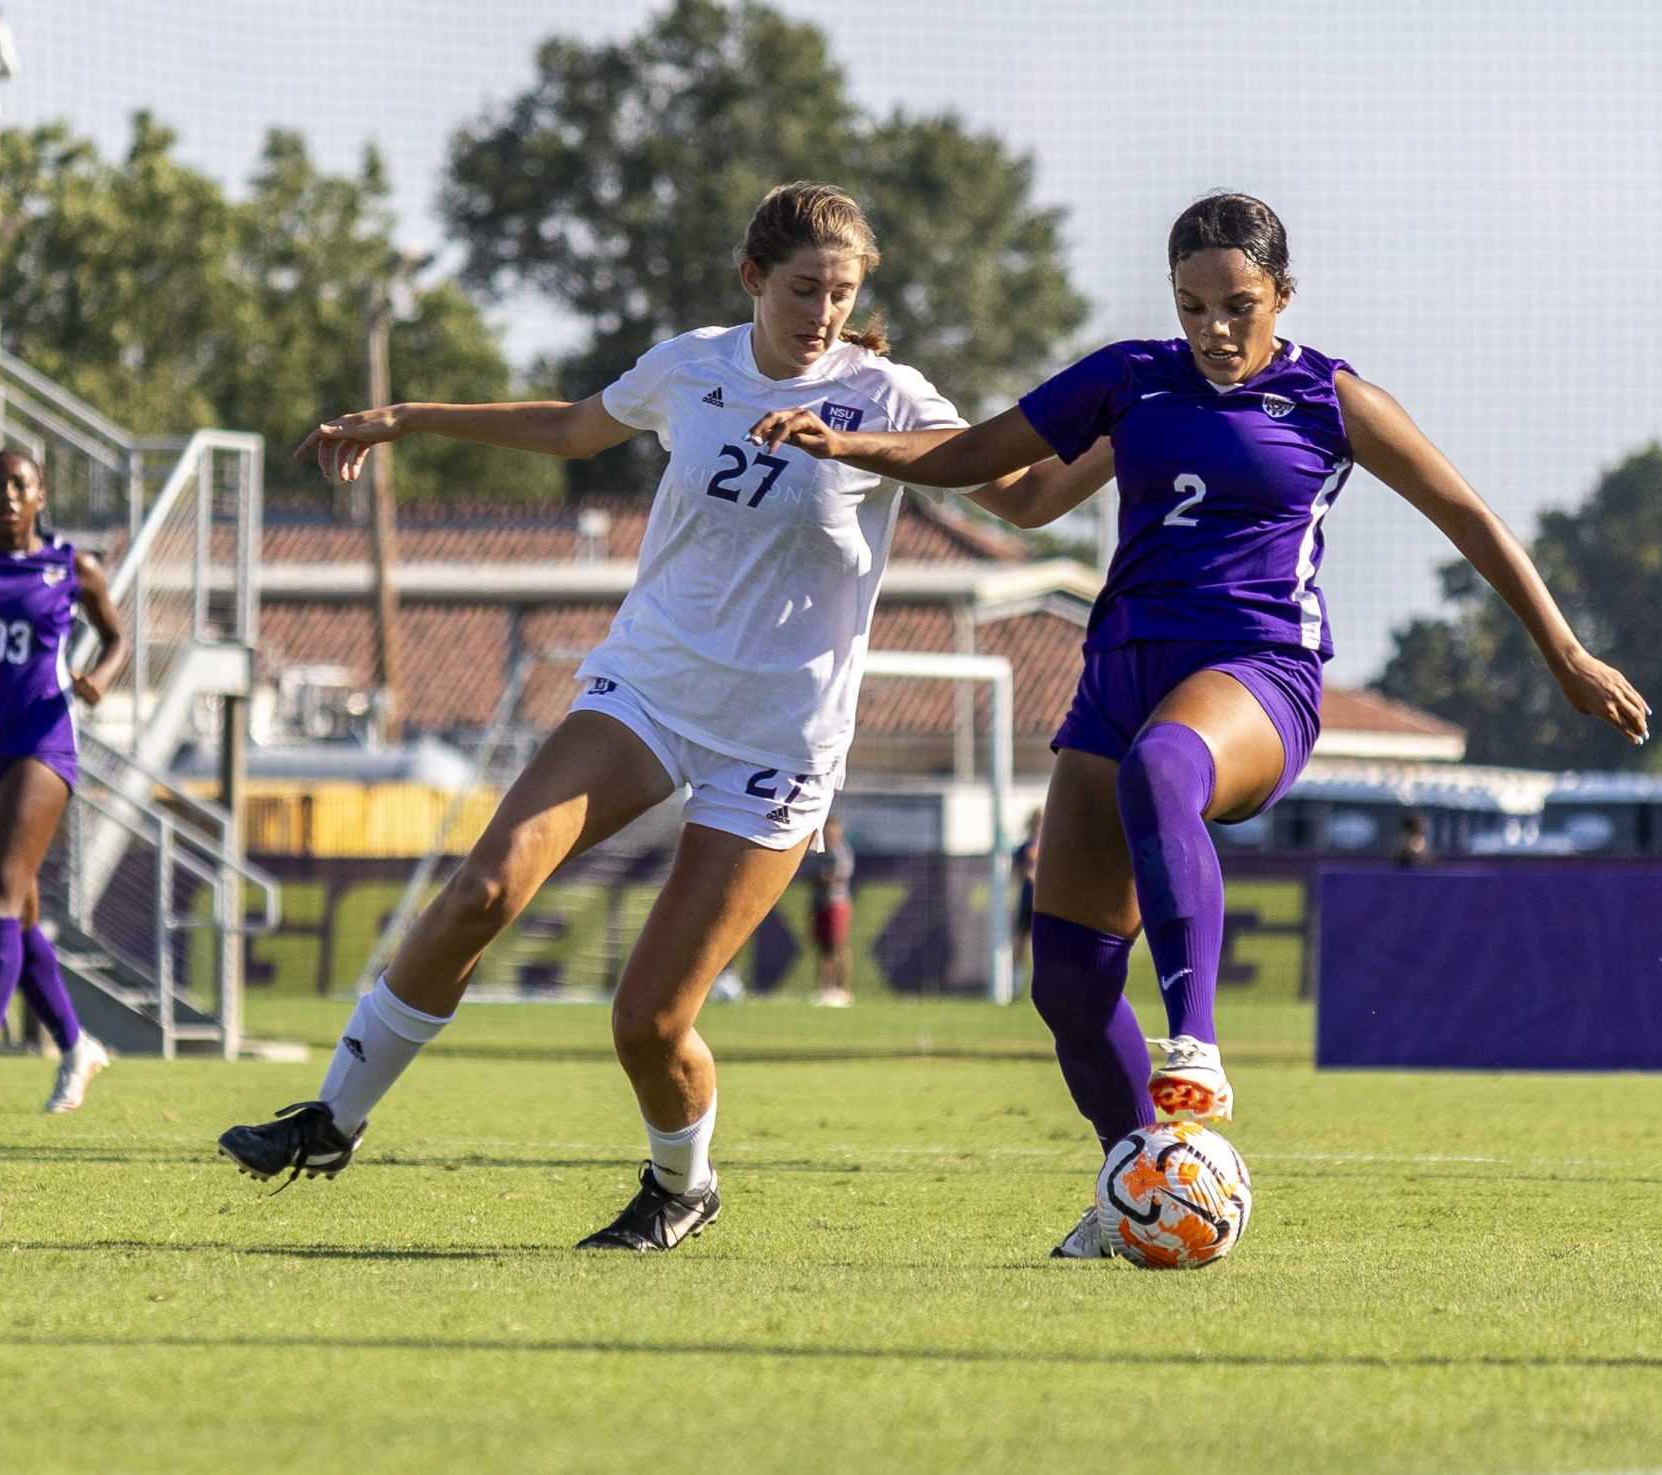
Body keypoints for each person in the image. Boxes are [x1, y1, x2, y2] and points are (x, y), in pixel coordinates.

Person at [215, 181, 1108, 1251]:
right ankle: (331, 1117)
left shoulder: (889, 396)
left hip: (778, 739)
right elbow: (574, 426)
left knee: (647, 1021)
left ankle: (680, 1183)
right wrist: (411, 415)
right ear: (751, 280)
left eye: (840, 291)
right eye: (800, 288)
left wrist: (1136, 430)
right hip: (649, 690)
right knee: (483, 886)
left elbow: (1022, 496)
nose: (821, 311)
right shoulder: (691, 366)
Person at [752, 191, 1647, 1255]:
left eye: (1238, 305)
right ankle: (1142, 1181)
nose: (1216, 331)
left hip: (1257, 672)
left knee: (1163, 770)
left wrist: (1566, 652)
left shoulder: (1330, 396)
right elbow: (986, 461)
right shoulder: (1130, 380)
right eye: (1192, 307)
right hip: (1120, 668)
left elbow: (1467, 517)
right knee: (1069, 986)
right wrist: (850, 441)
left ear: (1282, 295)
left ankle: (1197, 1043)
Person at [0, 448, 127, 1114]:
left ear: (41, 493)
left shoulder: (73, 565)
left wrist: (99, 675)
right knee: (21, 912)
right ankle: (77, 1044)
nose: (8, 494)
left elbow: (115, 636)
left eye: (20, 484)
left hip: (41, 742)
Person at [803, 809, 856, 1007]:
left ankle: (843, 990)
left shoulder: (842, 851)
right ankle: (825, 989)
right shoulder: (820, 850)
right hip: (819, 903)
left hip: (836, 903)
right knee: (823, 948)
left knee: (838, 946)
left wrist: (820, 877)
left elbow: (836, 876)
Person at [1010, 808, 1042, 979]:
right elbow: (1015, 871)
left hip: (1044, 903)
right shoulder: (1023, 848)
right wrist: (1026, 873)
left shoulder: (1048, 846)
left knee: (1043, 942)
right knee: (1020, 940)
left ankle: (1043, 978)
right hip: (1027, 899)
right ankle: (1017, 978)